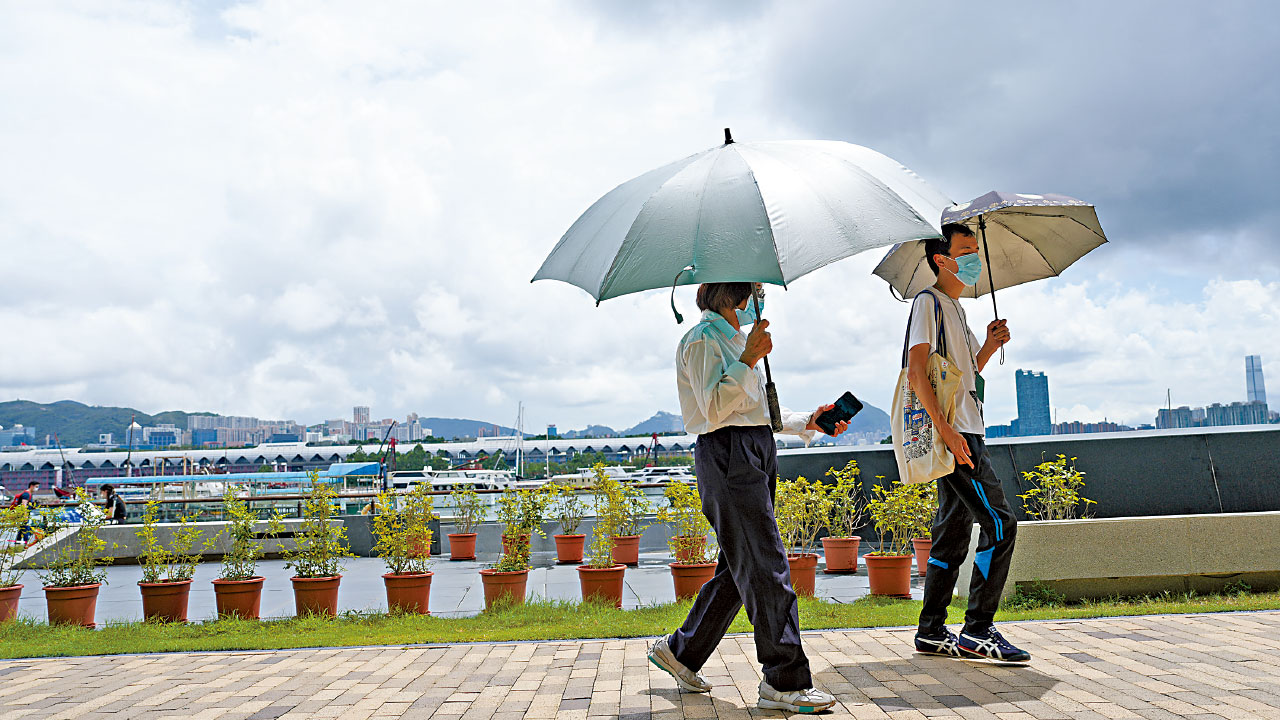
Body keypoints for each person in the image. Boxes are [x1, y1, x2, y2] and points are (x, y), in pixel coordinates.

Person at [648, 281, 850, 714]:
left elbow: (754, 413)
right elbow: (714, 409)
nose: (762, 295)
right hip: (728, 455)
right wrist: (747, 359)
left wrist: (808, 422)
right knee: (764, 565)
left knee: (742, 567)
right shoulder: (703, 340)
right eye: (757, 289)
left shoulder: (737, 338)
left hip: (753, 449)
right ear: (735, 293)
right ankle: (785, 680)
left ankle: (681, 652)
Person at [908, 223, 1028, 662]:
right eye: (965, 249)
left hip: (966, 428)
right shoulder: (929, 303)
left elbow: (967, 372)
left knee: (953, 534)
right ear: (942, 259)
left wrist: (989, 346)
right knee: (1000, 523)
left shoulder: (956, 309)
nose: (974, 256)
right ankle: (978, 628)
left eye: (976, 249)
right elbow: (916, 371)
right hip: (956, 435)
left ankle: (931, 631)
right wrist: (946, 431)